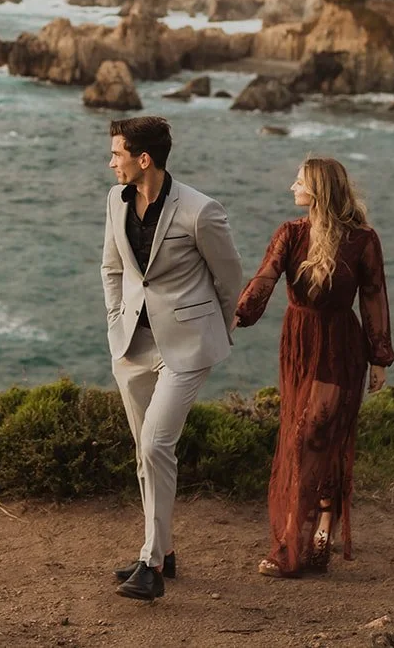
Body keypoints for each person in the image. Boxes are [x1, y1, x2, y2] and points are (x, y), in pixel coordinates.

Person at [102, 116, 244, 601]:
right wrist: (114, 319)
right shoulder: (114, 200)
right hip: (133, 344)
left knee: (156, 444)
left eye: (117, 153)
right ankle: (162, 548)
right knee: (145, 453)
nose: (111, 162)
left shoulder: (201, 211)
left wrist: (213, 331)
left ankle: (153, 564)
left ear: (145, 159)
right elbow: (113, 268)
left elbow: (231, 279)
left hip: (185, 348)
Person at [234, 156, 394, 577]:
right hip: (300, 344)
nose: (292, 186)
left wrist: (379, 358)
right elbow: (266, 277)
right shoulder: (291, 234)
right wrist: (242, 313)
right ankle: (322, 522)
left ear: (319, 189)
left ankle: (293, 544)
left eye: (300, 181)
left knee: (316, 434)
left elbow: (374, 296)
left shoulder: (363, 240)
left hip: (342, 346)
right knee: (302, 436)